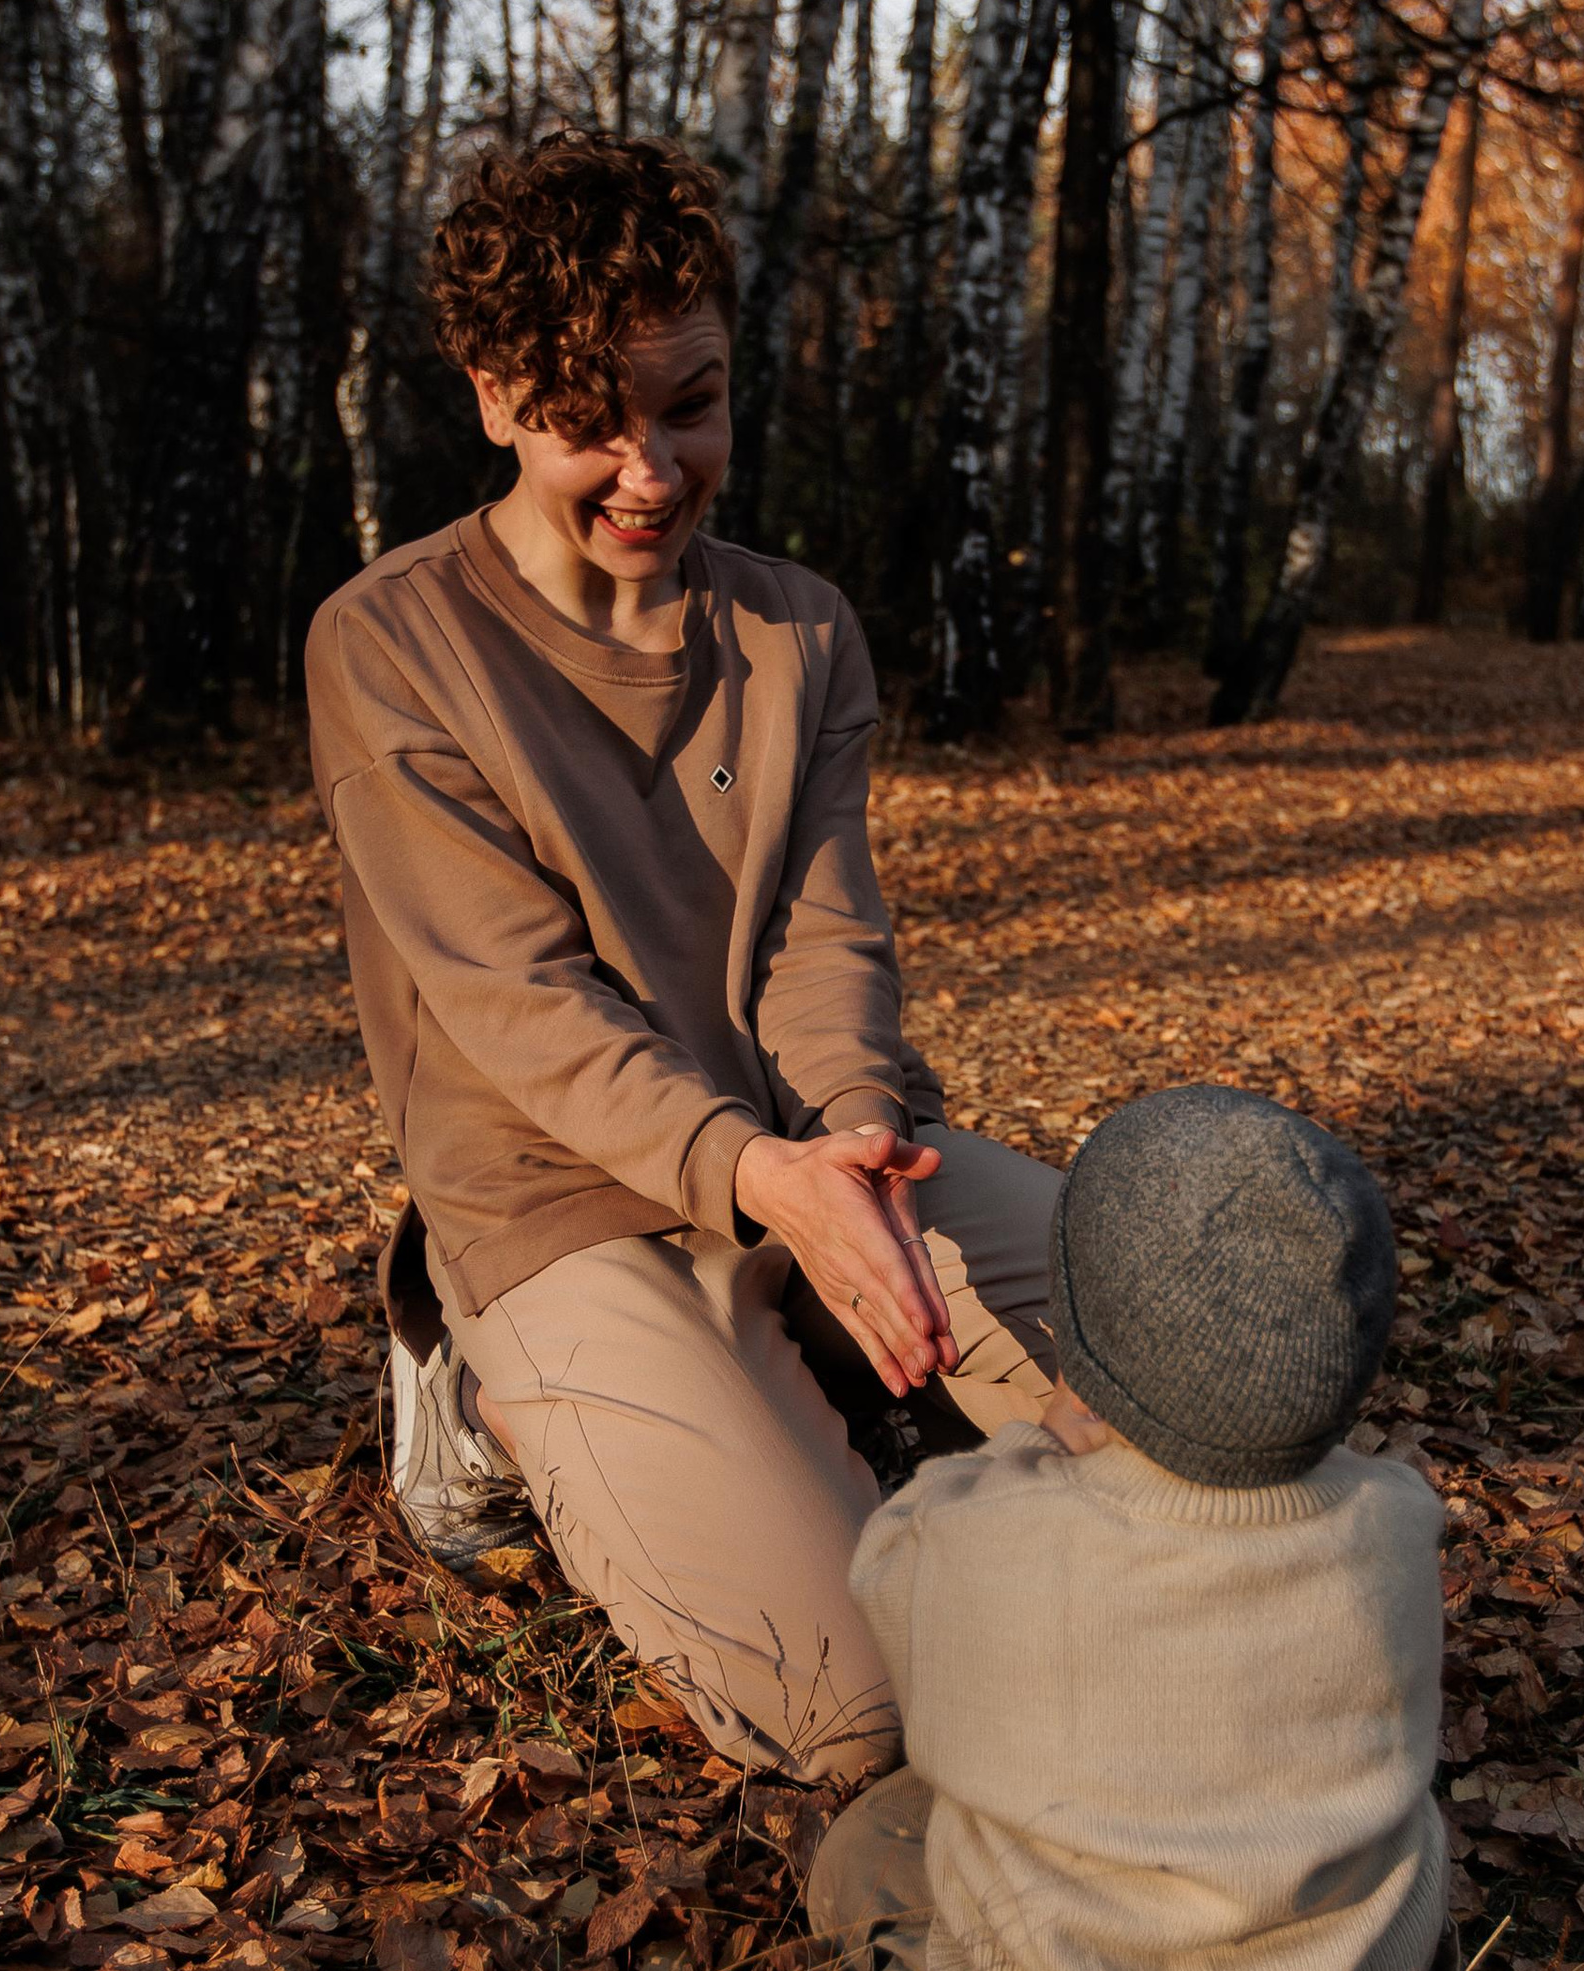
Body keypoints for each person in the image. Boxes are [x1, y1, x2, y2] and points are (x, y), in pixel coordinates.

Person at [305, 129, 1061, 1781]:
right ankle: (471, 1380)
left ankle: (814, 1359)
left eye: (692, 406)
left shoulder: (799, 629)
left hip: (799, 1158)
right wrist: (755, 1176)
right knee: (854, 1708)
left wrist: (853, 1132)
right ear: (498, 400)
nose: (652, 469)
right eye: (591, 423)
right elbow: (516, 1005)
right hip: (558, 1198)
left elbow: (820, 929)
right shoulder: (388, 644)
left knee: (1192, 1406)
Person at [807, 1084, 1452, 1971]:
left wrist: (1035, 1443)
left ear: (1079, 1336)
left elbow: (891, 1566)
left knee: (871, 1848)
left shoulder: (988, 1541)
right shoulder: (1396, 1518)